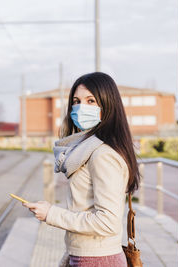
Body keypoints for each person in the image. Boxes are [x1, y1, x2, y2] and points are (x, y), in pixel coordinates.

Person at [23, 72, 140, 267]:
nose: (80, 107)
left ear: (107, 106)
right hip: (87, 256)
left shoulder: (102, 154)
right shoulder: (88, 149)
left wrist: (51, 214)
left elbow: (107, 222)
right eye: (76, 101)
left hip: (98, 259)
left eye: (91, 101)